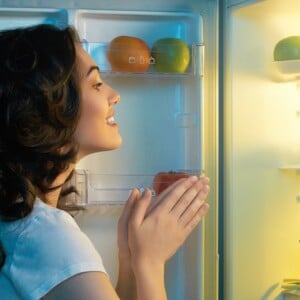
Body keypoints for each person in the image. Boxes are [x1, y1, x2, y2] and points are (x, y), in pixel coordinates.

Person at [0, 24, 210, 300]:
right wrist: (151, 262)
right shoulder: (49, 236)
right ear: (47, 109)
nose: (114, 95)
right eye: (96, 83)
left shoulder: (23, 219)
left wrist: (131, 260)